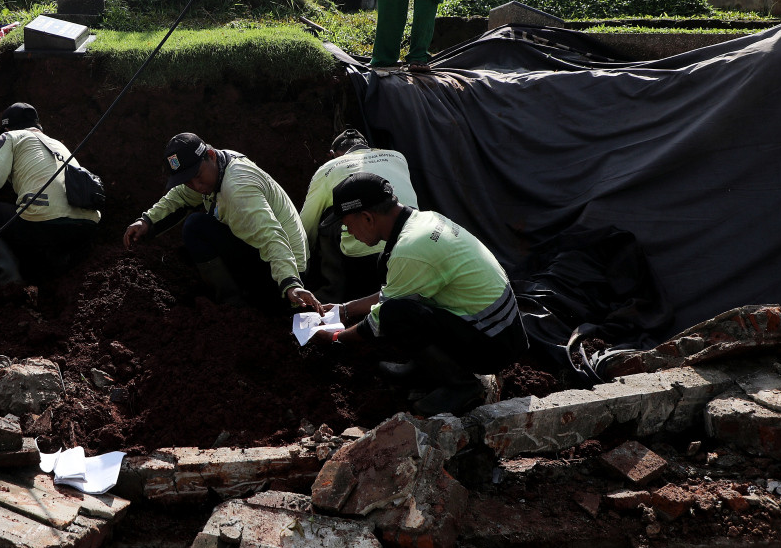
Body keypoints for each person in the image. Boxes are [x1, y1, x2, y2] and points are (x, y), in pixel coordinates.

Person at [318, 172, 526, 415]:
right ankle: (425, 367)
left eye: (347, 225)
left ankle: (461, 386)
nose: (349, 233)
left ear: (366, 217)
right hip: (501, 328)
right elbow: (395, 291)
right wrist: (343, 310)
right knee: (398, 300)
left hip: (494, 344)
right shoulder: (424, 220)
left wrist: (335, 338)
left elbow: (377, 322)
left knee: (395, 316)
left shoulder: (410, 249)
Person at [123, 132, 322, 312]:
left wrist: (290, 284)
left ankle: (236, 309)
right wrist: (147, 220)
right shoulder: (218, 164)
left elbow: (272, 236)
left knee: (196, 226)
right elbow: (180, 196)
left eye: (197, 176)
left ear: (210, 155)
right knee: (197, 225)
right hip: (273, 259)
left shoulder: (238, 188)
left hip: (288, 271)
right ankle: (236, 300)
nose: (196, 186)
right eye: (187, 181)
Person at [0, 102, 99, 291]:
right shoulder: (58, 144)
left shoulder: (10, 137)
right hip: (86, 226)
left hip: (45, 223)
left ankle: (8, 281)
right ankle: (56, 267)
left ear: (7, 127)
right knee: (42, 233)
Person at [299, 129, 419, 303]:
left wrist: (302, 270)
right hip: (409, 243)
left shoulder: (329, 167)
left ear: (333, 155)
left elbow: (306, 225)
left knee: (328, 218)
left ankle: (332, 295)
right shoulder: (398, 157)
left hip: (361, 260)